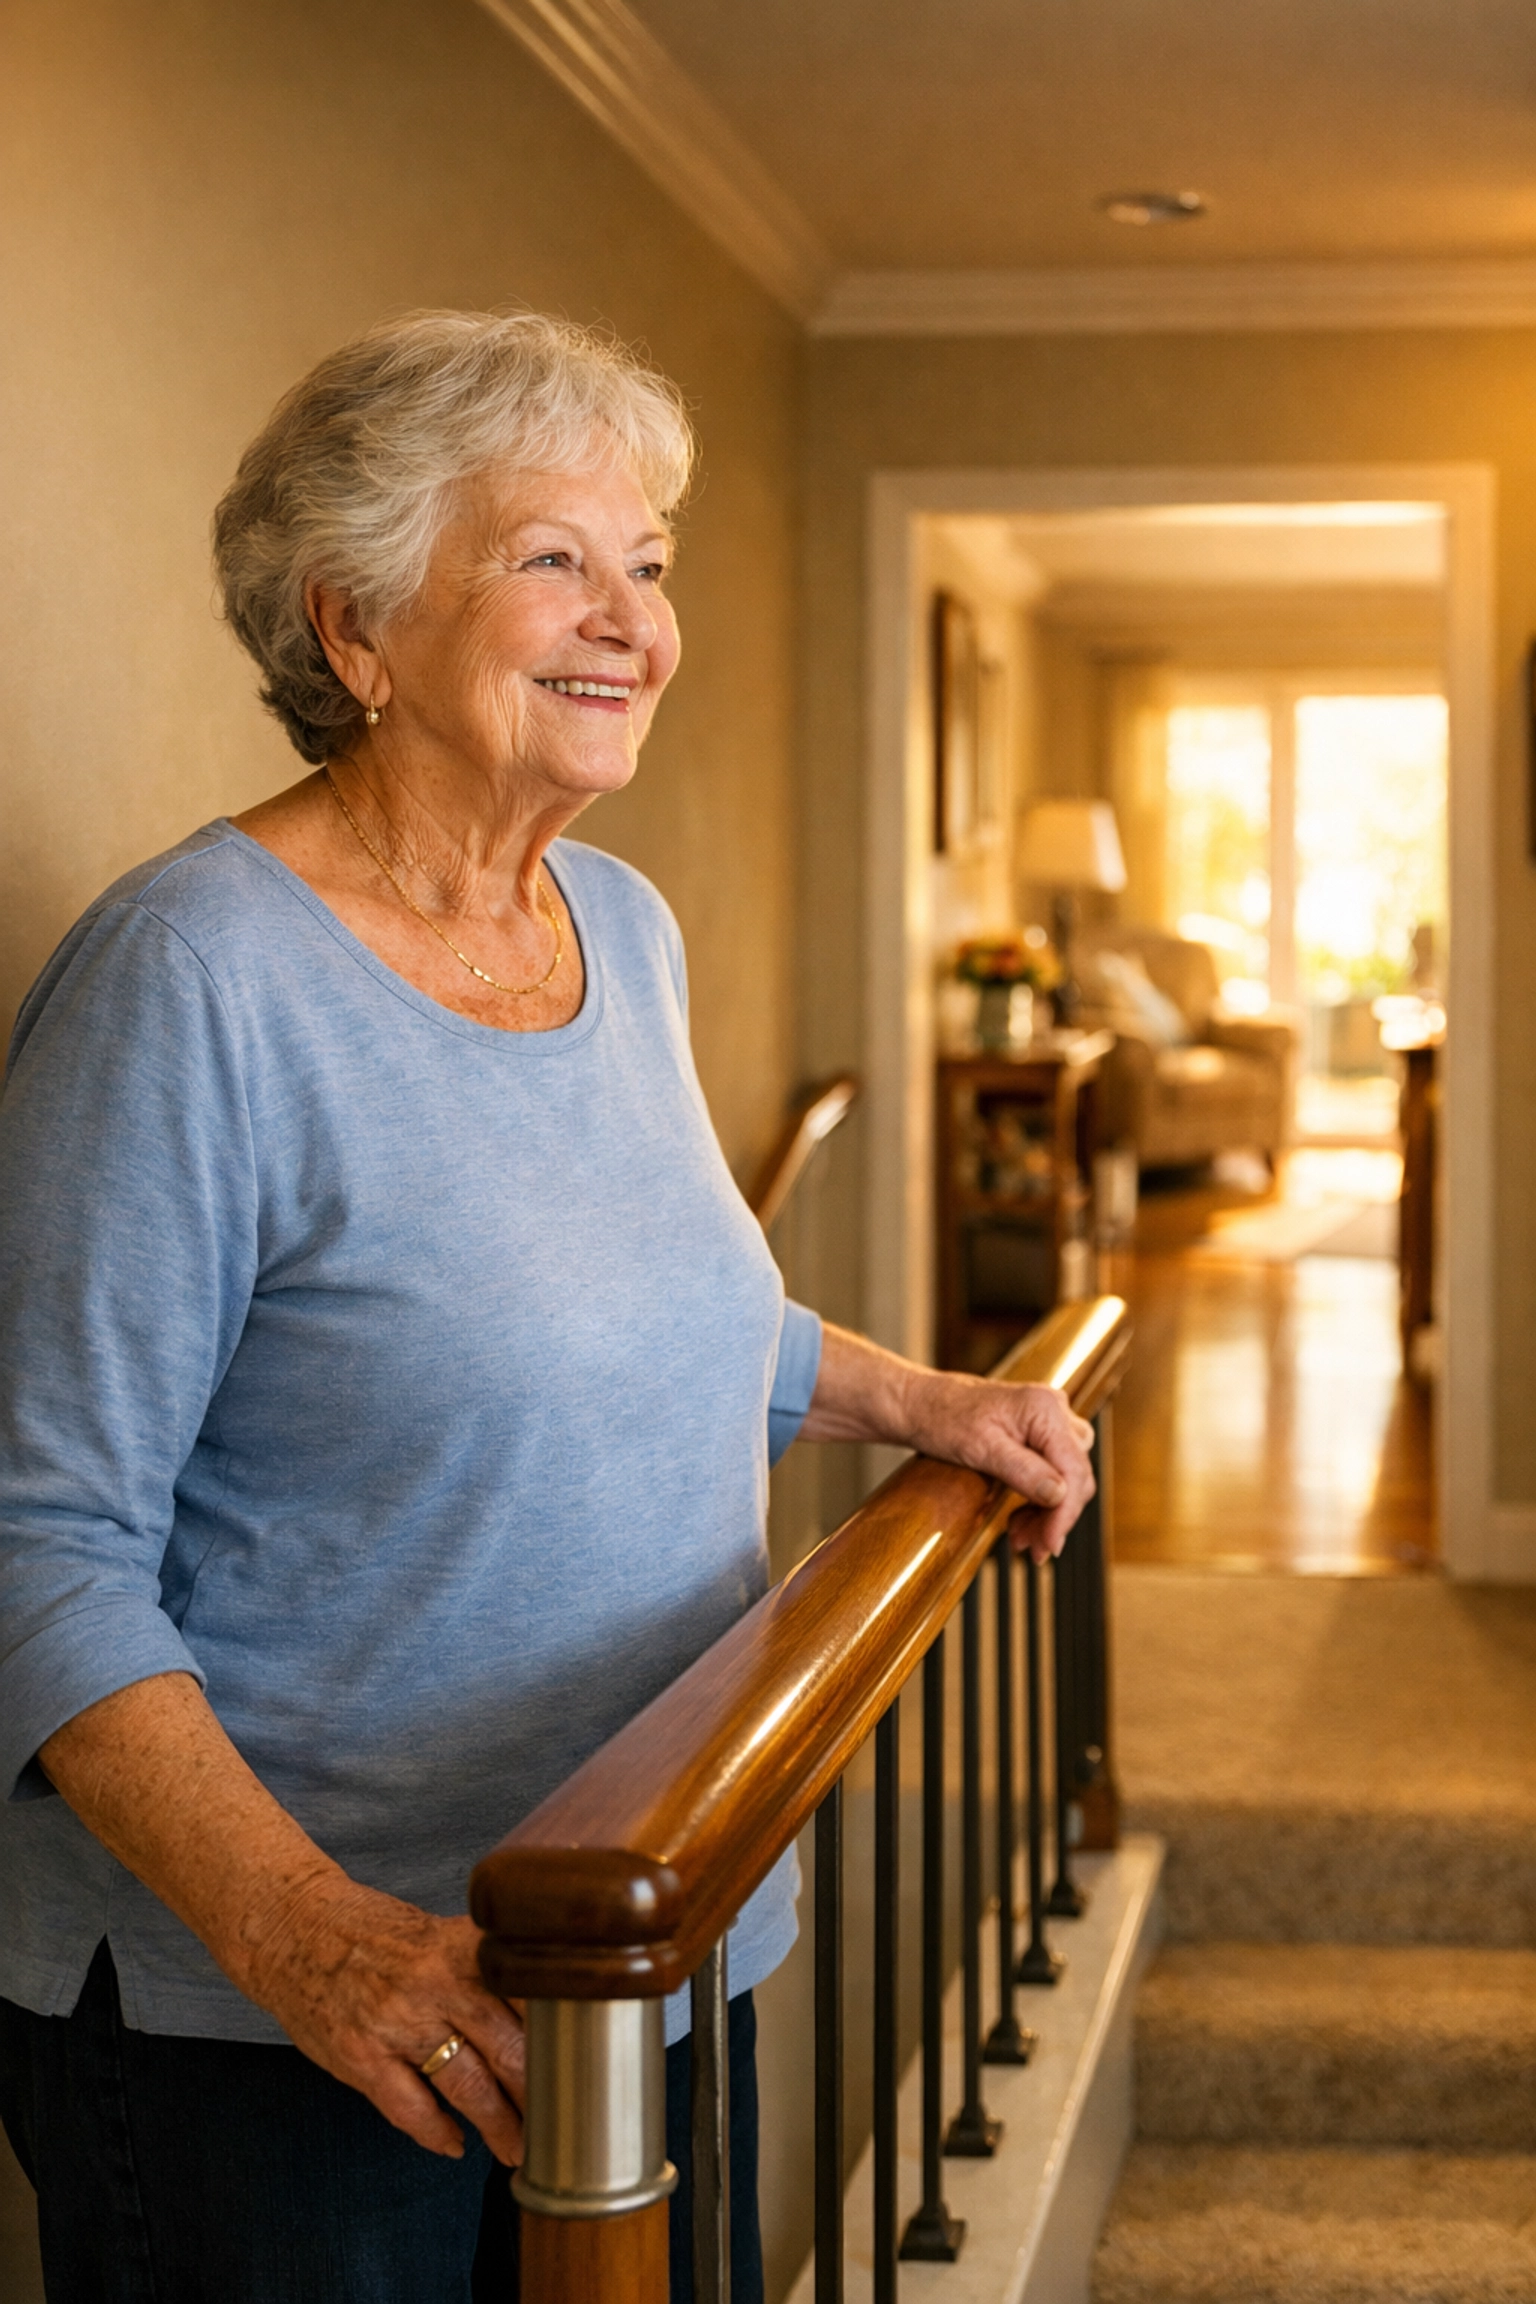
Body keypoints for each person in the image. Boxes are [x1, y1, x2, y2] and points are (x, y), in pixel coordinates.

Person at [0, 310, 1095, 2303]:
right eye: (551, 559)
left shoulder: (623, 926)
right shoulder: (193, 982)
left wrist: (919, 1401)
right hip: (305, 2034)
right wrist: (312, 1938)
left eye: (650, 562)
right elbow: (37, 1549)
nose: (636, 624)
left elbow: (656, 1317)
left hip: (651, 1935)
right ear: (354, 632)